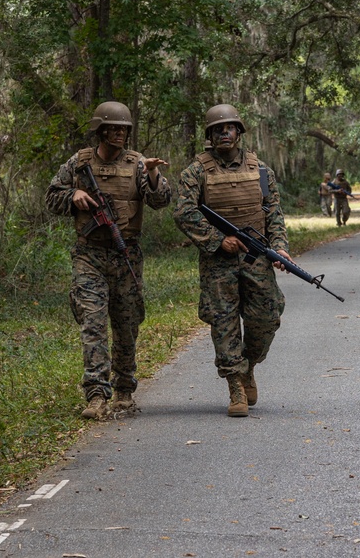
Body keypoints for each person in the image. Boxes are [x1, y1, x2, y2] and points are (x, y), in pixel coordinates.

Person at [45, 101, 172, 420]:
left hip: (126, 253)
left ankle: (124, 390)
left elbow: (160, 201)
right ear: (100, 130)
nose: (119, 133)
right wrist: (71, 196)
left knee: (127, 323)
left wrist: (154, 174)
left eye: (123, 129)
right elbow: (51, 197)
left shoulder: (139, 163)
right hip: (89, 254)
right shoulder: (79, 162)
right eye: (113, 128)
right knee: (93, 322)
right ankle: (97, 395)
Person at [173, 104, 293, 417]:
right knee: (224, 322)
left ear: (239, 132)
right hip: (218, 262)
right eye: (217, 129)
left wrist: (279, 247)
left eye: (229, 128)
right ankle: (236, 386)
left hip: (256, 256)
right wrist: (217, 240)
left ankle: (248, 364)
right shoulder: (196, 171)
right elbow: (184, 212)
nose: (224, 133)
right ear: (210, 135)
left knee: (268, 315)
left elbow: (273, 211)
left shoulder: (261, 170)